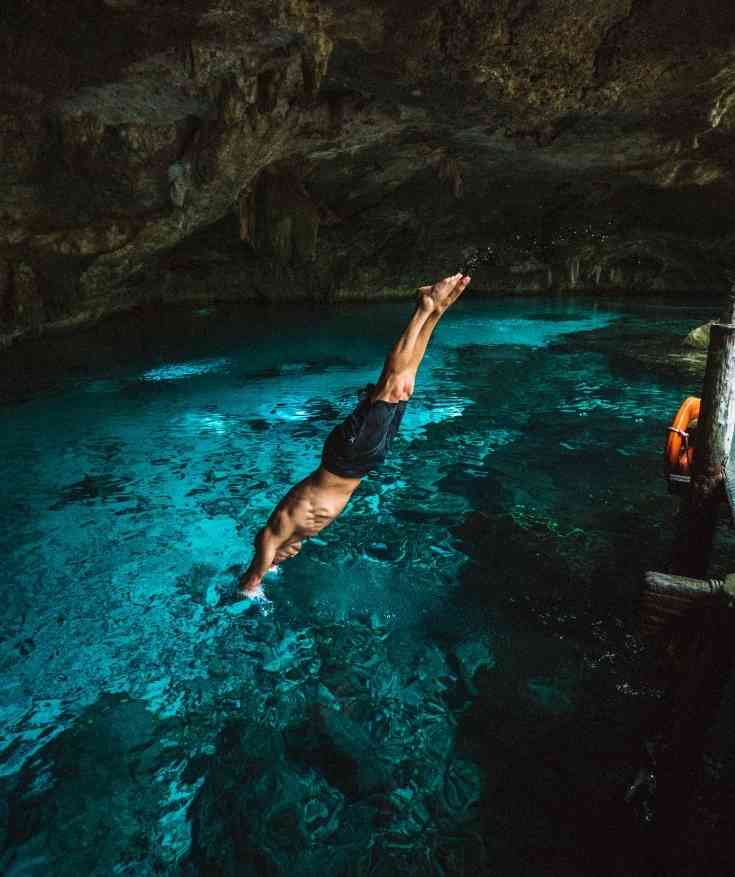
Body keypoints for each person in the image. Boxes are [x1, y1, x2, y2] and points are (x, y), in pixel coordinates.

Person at [238, 272, 471, 598]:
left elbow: (260, 555)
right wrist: (278, 562)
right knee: (404, 386)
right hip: (358, 461)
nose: (288, 557)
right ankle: (437, 310)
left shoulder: (278, 530)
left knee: (391, 384)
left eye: (280, 559)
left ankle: (424, 307)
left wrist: (255, 580)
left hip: (346, 458)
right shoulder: (294, 535)